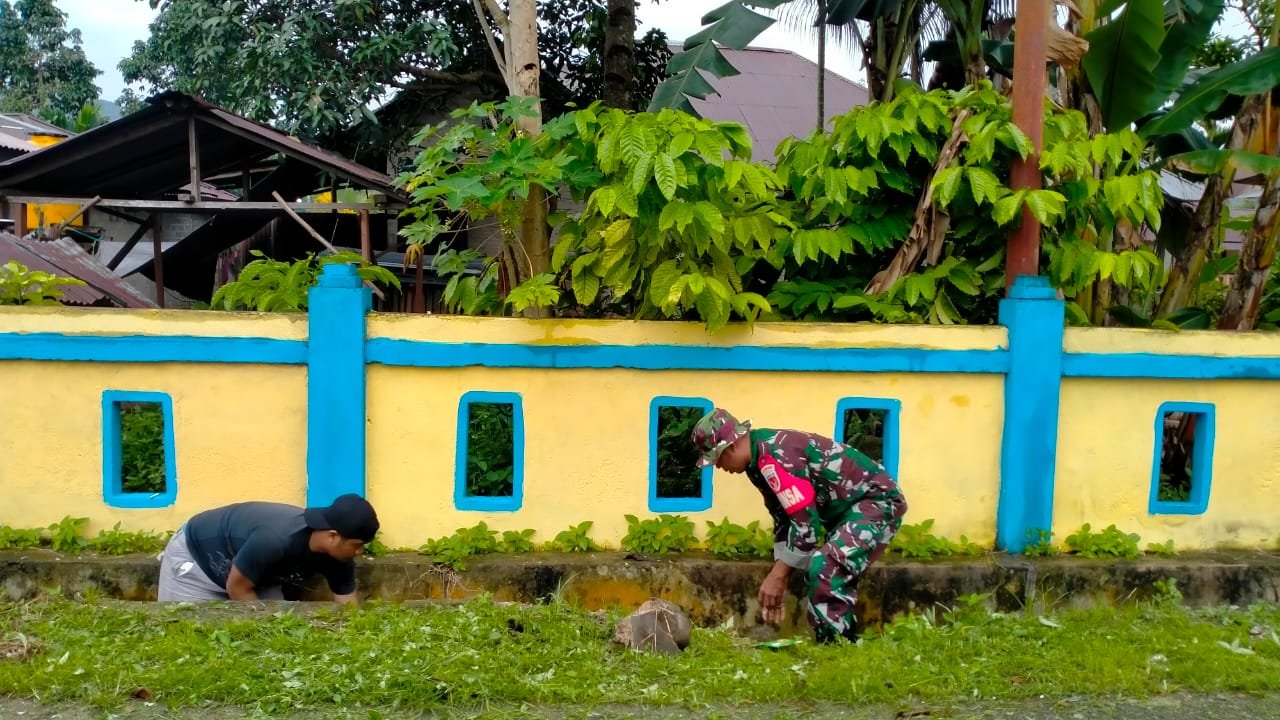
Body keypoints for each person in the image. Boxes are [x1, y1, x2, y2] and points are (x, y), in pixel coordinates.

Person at [691, 408, 907, 643]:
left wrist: (779, 576)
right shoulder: (756, 461)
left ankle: (836, 649)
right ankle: (841, 642)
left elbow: (806, 525)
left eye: (717, 459)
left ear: (730, 447)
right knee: (826, 566)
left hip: (876, 503)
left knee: (825, 565)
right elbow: (784, 517)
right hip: (844, 512)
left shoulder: (777, 457)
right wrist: (780, 568)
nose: (719, 467)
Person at [157, 493, 379, 603]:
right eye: (357, 545)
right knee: (184, 631)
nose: (359, 552)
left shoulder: (338, 556)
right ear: (332, 536)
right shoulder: (276, 539)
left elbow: (347, 606)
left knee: (280, 630)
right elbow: (238, 588)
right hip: (198, 558)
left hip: (251, 572)